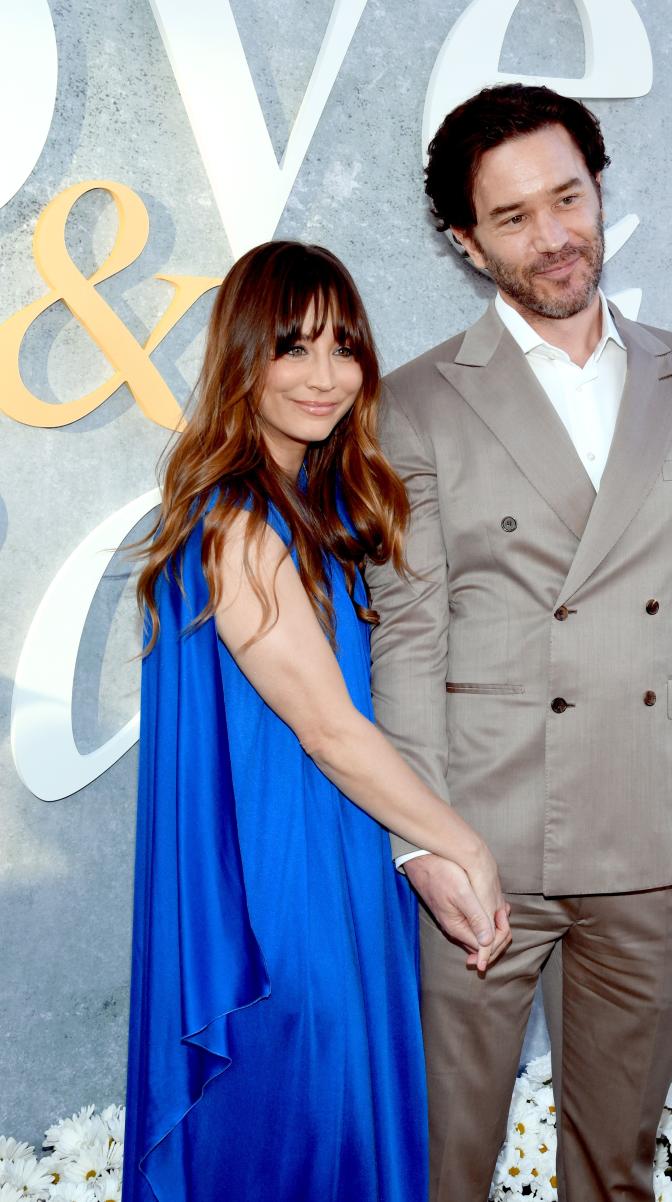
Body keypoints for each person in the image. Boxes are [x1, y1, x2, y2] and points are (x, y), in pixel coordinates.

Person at [365, 84, 672, 1202]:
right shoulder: (411, 404)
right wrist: (425, 845)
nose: (555, 236)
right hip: (477, 851)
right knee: (440, 1164)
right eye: (513, 217)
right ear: (466, 243)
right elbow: (406, 642)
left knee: (616, 1171)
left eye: (569, 197)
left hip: (649, 838)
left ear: (598, 189)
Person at [122, 240, 511, 1202]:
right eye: (292, 348)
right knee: (310, 1132)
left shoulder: (301, 506)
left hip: (323, 867)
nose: (325, 376)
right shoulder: (242, 521)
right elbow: (330, 731)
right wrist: (467, 848)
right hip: (283, 909)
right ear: (242, 358)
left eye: (344, 347)